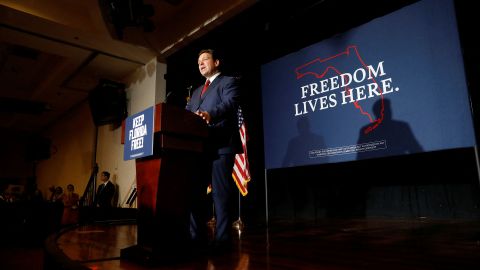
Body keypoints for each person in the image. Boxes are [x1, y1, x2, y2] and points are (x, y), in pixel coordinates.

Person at [186, 49, 242, 252]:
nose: (200, 63)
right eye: (198, 61)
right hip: (199, 148)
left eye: (205, 59)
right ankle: (196, 238)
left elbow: (230, 104)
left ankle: (222, 240)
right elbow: (186, 116)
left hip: (221, 145)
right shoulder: (196, 91)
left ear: (216, 62)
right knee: (195, 193)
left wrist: (211, 114)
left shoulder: (228, 82)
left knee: (220, 194)